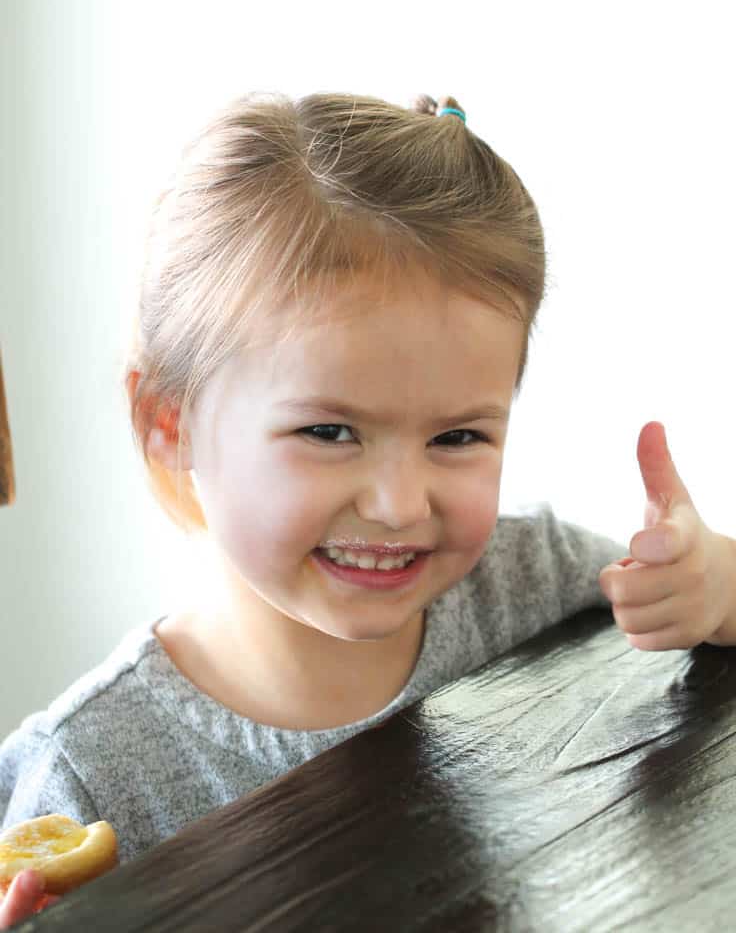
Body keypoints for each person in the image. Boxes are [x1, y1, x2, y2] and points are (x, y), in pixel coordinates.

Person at [2, 91, 735, 925]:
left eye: (457, 437)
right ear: (173, 426)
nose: (397, 505)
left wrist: (712, 582)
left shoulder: (529, 581)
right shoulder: (87, 775)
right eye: (329, 431)